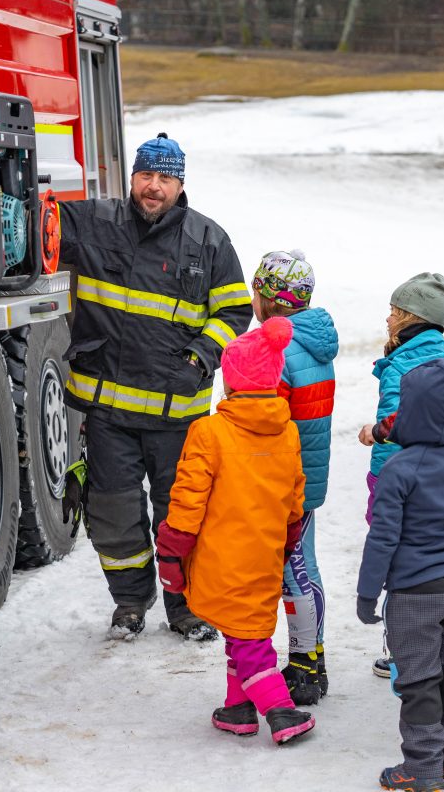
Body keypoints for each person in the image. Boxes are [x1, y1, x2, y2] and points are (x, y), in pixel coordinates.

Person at [57, 133, 253, 640]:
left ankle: (185, 608)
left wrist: (200, 357)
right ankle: (129, 604)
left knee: (181, 517)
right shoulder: (95, 223)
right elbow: (43, 222)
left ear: (180, 184)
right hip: (108, 414)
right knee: (114, 514)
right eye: (147, 175)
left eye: (165, 178)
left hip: (176, 416)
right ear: (133, 177)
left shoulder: (208, 241)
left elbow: (235, 310)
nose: (153, 187)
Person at [154, 318, 315, 745]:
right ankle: (237, 708)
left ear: (233, 383)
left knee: (248, 639)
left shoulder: (209, 432)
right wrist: (290, 535)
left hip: (220, 557)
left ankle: (279, 711)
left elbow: (188, 499)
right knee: (244, 631)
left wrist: (172, 548)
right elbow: (295, 496)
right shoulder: (288, 433)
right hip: (265, 553)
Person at [356, 358, 444, 792]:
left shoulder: (399, 470)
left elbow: (383, 539)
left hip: (415, 596)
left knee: (420, 682)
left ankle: (423, 768)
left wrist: (367, 593)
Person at [247, 250, 338, 706]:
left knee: (293, 572)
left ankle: (304, 665)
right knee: (303, 564)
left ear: (265, 297)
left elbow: (264, 419)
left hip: (282, 478)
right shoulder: (314, 341)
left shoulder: (278, 348)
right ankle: (312, 656)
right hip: (307, 472)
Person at [358, 272, 444, 679]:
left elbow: (398, 426)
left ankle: (403, 650)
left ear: (413, 318)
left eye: (395, 312)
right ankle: (435, 642)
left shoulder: (403, 366)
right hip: (441, 476)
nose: (388, 320)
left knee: (398, 562)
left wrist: (375, 444)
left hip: (397, 478)